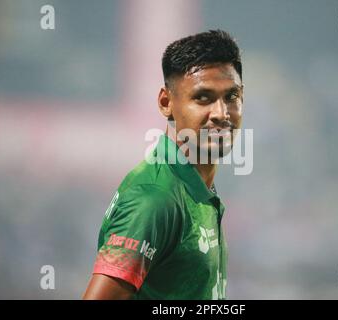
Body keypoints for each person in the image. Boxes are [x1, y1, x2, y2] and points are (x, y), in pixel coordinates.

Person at [83, 29, 244, 300]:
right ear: (166, 102)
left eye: (231, 97)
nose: (221, 113)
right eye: (203, 98)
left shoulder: (195, 186)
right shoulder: (155, 197)